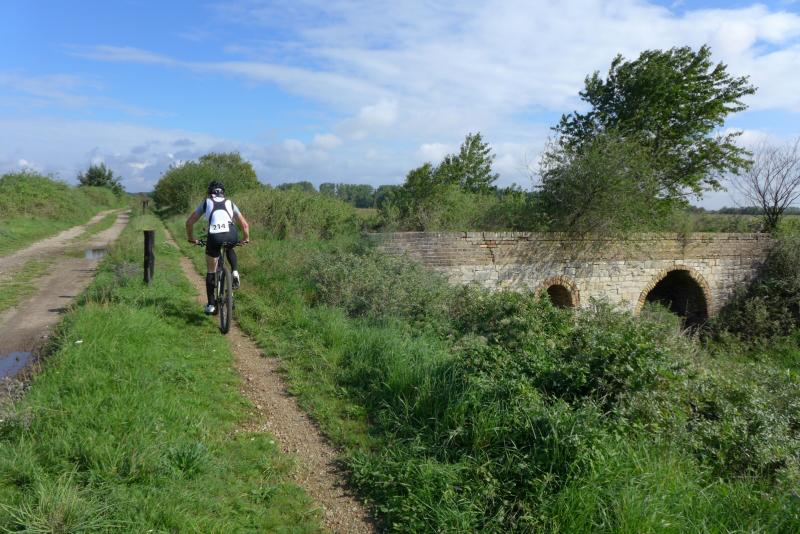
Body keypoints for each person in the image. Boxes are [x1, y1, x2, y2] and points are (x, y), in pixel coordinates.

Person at [185, 180, 250, 315]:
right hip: (231, 234)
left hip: (214, 236)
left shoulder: (206, 202)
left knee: (211, 270)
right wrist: (245, 238)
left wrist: (191, 238)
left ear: (210, 193)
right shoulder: (230, 203)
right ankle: (235, 272)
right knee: (229, 247)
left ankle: (211, 305)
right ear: (223, 193)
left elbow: (189, 222)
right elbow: (245, 225)